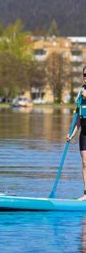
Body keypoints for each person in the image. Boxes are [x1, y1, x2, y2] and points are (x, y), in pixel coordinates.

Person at [67, 66, 86, 200]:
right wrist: (72, 134)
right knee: (85, 163)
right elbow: (78, 118)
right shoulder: (80, 94)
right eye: (84, 75)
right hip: (84, 131)